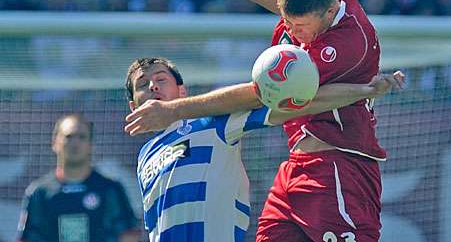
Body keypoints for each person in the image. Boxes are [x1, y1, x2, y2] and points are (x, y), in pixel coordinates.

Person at [124, 57, 403, 242]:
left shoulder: (211, 123)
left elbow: (293, 103)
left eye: (161, 79)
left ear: (182, 92)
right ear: (133, 106)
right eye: (142, 85)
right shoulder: (144, 155)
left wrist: (363, 90)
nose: (152, 86)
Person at [17, 114, 140, 242]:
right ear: (55, 143)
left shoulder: (110, 189)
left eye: (81, 137)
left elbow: (129, 235)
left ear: (91, 145)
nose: (75, 143)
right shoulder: (39, 192)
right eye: (68, 137)